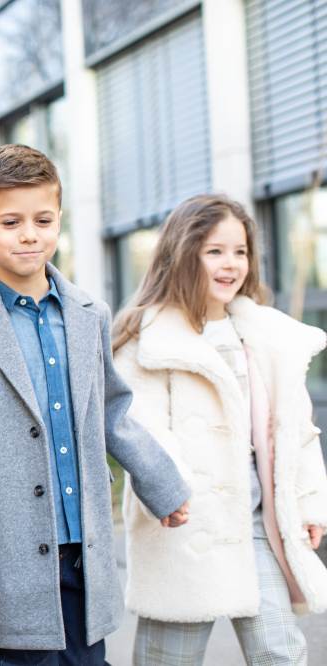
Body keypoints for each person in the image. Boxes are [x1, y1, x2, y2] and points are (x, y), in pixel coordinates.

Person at [0, 144, 190, 665]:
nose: (29, 234)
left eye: (43, 219)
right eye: (10, 222)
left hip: (86, 546)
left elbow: (114, 413)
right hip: (7, 547)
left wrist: (162, 486)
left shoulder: (88, 315)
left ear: (60, 221)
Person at [112, 193, 327, 665]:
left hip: (256, 528)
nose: (231, 264)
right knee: (168, 660)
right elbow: (139, 430)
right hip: (186, 529)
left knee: (281, 652)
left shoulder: (267, 337)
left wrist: (310, 503)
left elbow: (296, 430)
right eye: (215, 251)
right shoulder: (148, 340)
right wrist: (170, 492)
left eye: (240, 252)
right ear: (182, 254)